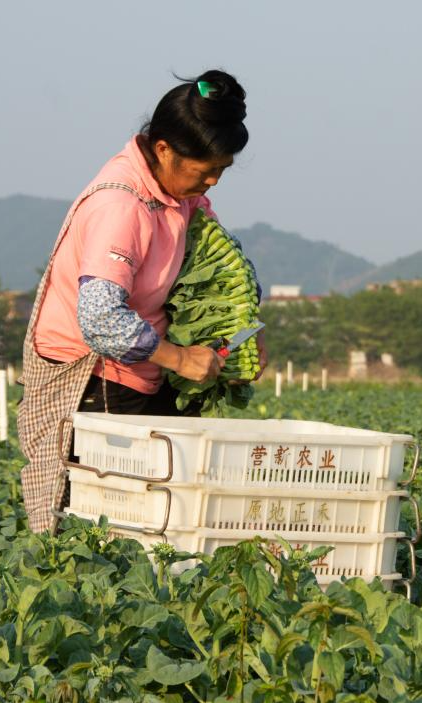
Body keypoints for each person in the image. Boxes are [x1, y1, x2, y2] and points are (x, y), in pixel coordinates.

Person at [17, 69, 267, 534]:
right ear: (163, 150)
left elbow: (223, 264)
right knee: (101, 524)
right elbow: (100, 317)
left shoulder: (178, 193)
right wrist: (179, 358)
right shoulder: (122, 206)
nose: (213, 181)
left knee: (150, 516)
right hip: (94, 378)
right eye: (204, 169)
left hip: (140, 368)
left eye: (221, 169)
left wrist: (244, 332)